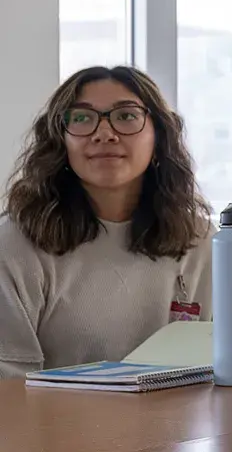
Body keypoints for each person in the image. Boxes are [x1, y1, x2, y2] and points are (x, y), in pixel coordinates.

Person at [0, 66, 214, 380]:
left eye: (126, 116)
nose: (105, 133)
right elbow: (10, 388)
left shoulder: (202, 238)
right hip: (55, 427)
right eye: (82, 118)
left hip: (185, 425)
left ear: (159, 136)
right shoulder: (15, 246)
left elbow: (224, 362)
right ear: (61, 142)